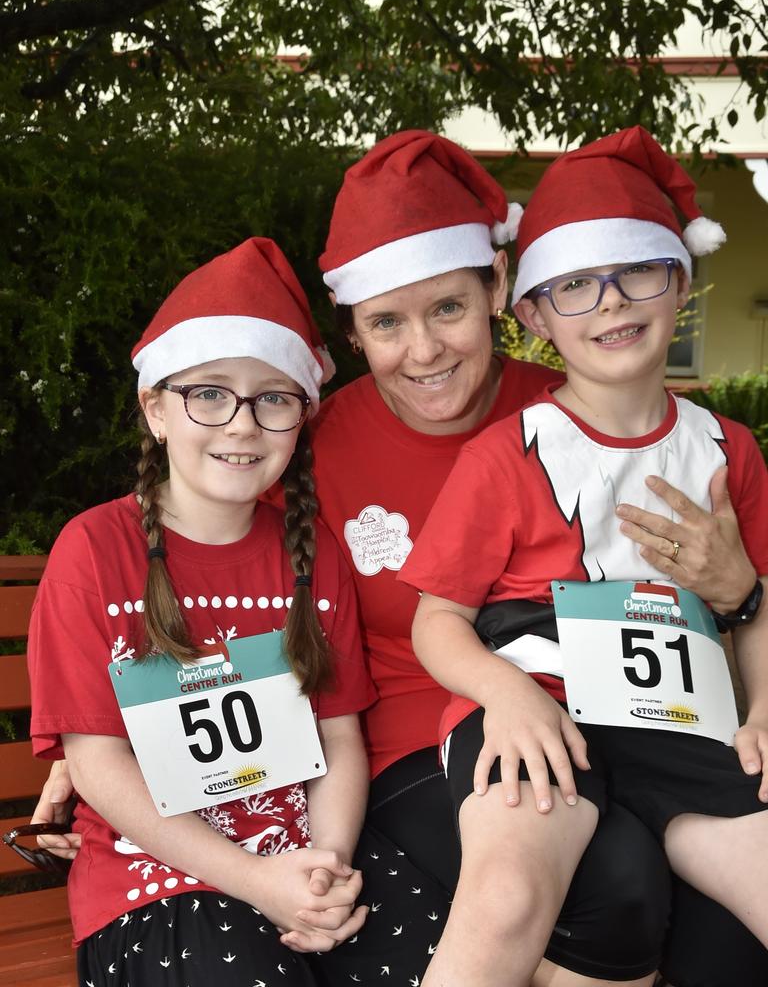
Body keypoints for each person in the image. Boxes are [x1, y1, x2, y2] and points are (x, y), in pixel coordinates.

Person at [33, 132, 767, 986]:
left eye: (448, 309)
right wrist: (87, 747)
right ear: (352, 334)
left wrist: (741, 591)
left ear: (498, 292)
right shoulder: (303, 446)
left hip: (642, 723)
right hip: (421, 743)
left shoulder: (578, 404)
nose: (424, 351)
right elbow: (200, 561)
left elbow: (701, 568)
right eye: (387, 322)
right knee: (615, 881)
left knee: (720, 932)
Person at [27, 236, 449, 987]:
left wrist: (325, 869)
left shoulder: (310, 551)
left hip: (304, 853)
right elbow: (95, 763)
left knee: (449, 958)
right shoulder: (93, 549)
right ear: (155, 409)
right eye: (209, 394)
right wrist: (258, 883)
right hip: (157, 874)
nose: (243, 423)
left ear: (300, 418)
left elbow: (339, 739)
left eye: (274, 398)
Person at [401, 126, 768, 987]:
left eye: (636, 271)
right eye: (573, 286)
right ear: (531, 314)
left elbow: (756, 603)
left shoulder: (731, 450)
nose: (609, 303)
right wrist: (506, 695)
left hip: (686, 715)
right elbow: (437, 619)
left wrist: (764, 713)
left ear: (679, 281)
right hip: (544, 706)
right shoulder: (503, 455)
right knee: (507, 898)